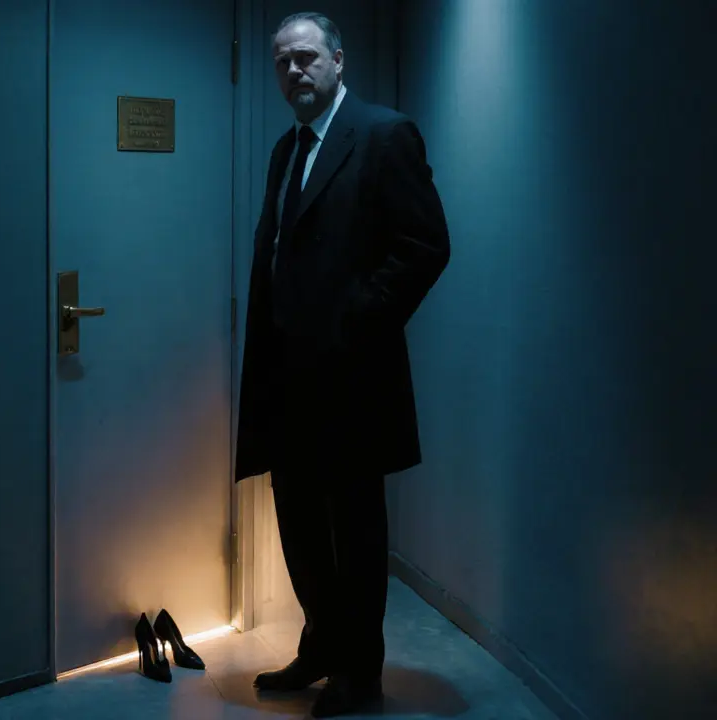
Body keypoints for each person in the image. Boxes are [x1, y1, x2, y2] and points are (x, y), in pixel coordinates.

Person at [234, 11, 451, 718]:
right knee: (297, 522)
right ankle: (322, 646)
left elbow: (424, 245)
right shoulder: (286, 148)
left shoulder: (385, 134)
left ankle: (360, 670)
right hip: (287, 381)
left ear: (337, 60)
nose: (293, 71)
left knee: (354, 531)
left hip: (352, 380)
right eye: (281, 62)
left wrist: (356, 320)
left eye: (305, 58)